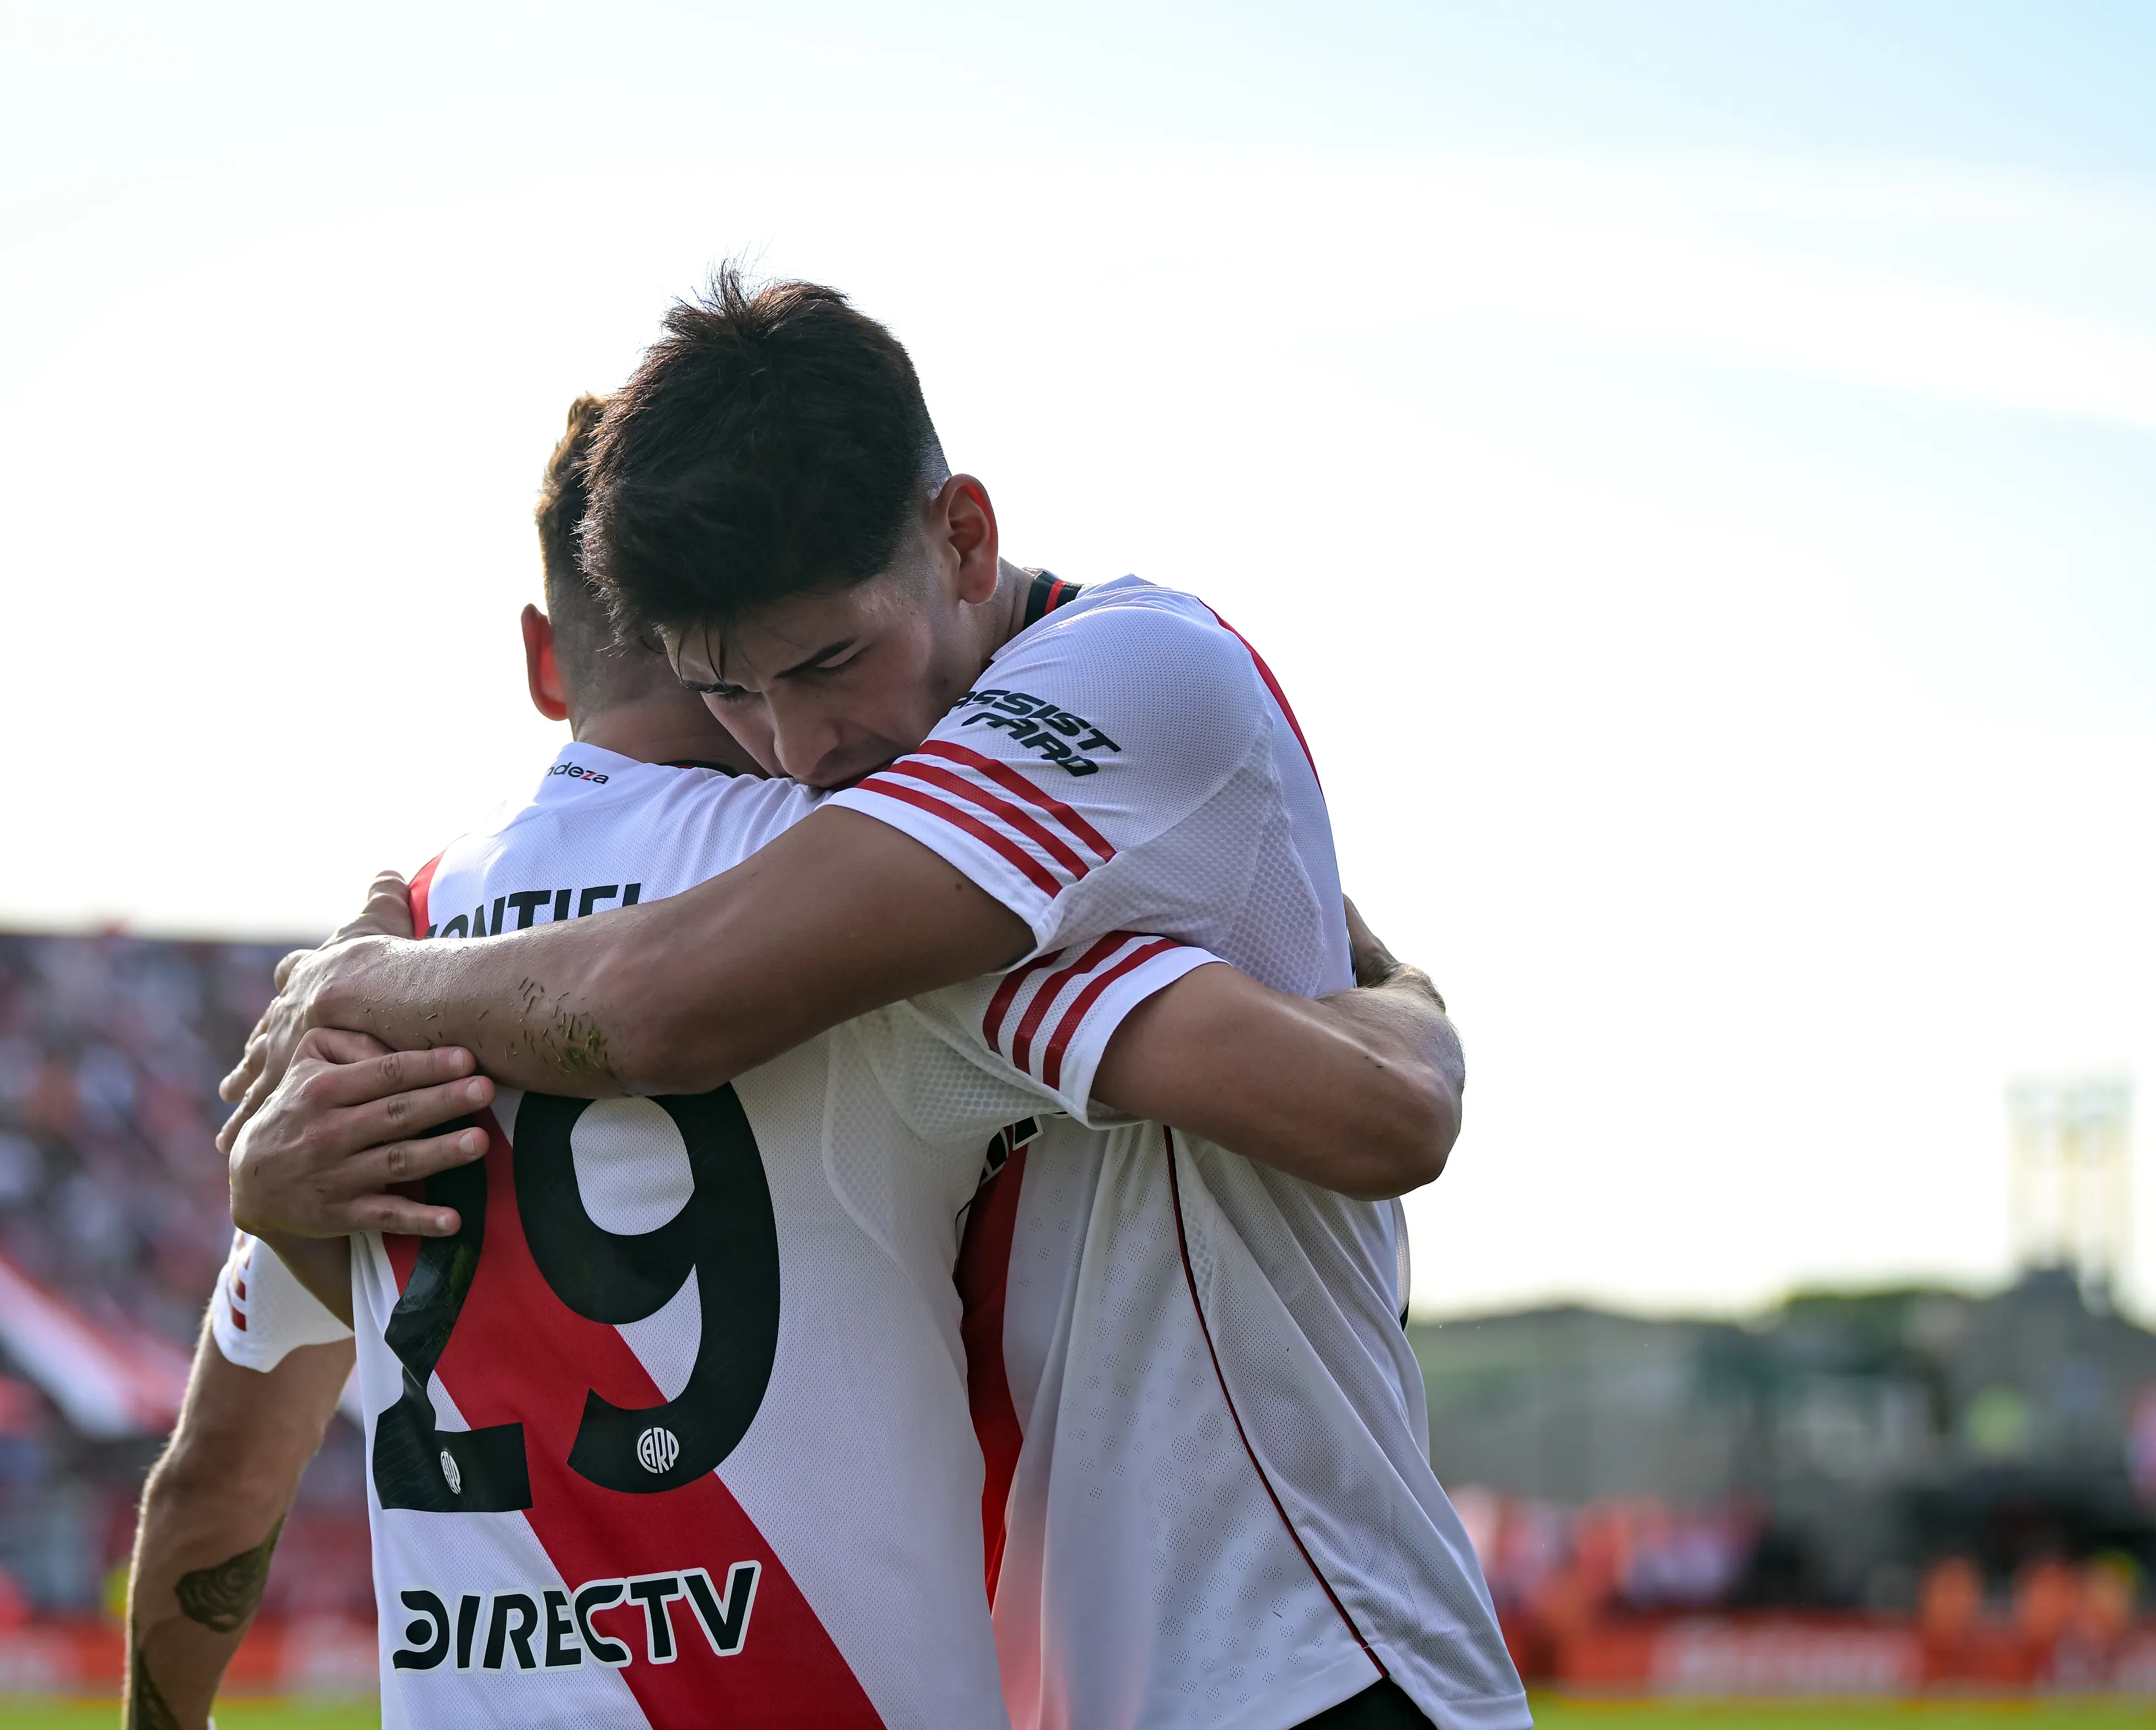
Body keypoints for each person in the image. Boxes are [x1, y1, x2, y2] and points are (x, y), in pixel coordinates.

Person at [226, 274, 1524, 1730]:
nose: (795, 746)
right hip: (1102, 1669)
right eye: (731, 694)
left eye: (829, 663)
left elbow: (667, 1001)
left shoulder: (1120, 670)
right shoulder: (907, 837)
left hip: (1299, 1647)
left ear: (959, 534)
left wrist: (365, 980)